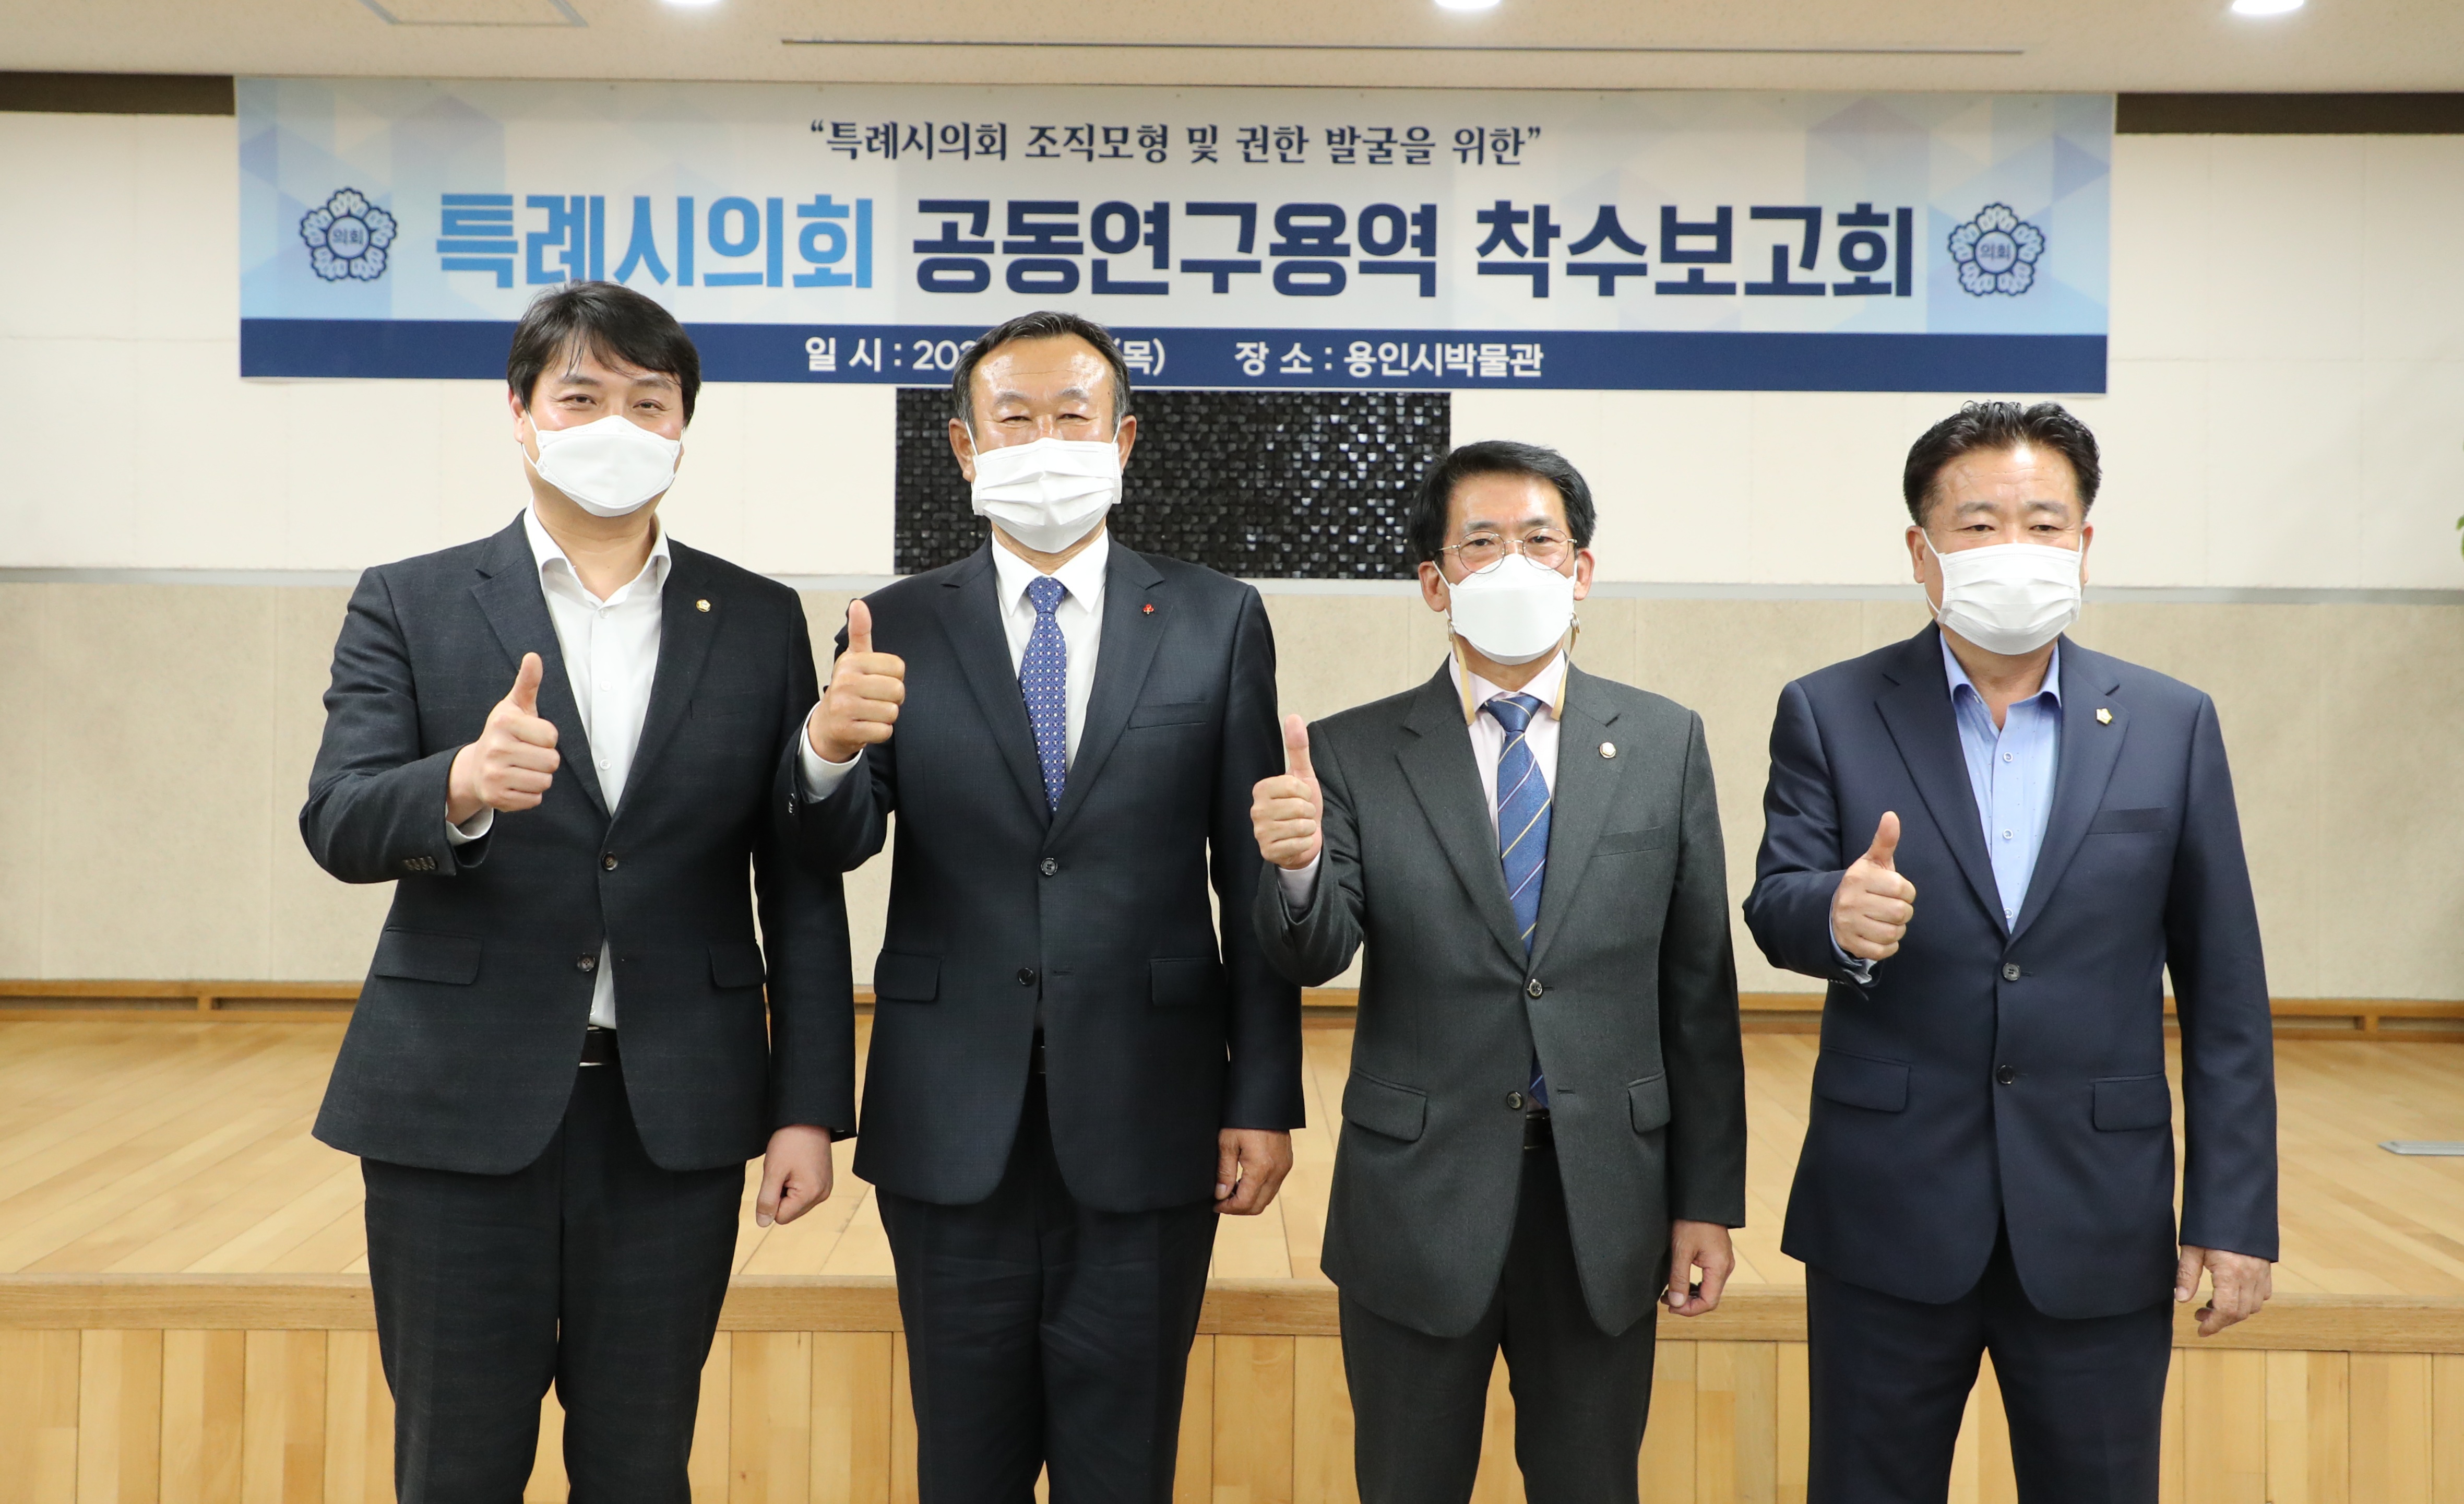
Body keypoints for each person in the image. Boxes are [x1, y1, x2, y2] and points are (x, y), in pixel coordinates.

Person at [300, 281, 854, 1503]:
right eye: (583, 396)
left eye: (649, 402)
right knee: (454, 1466)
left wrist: (808, 1105)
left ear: (683, 426)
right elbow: (337, 817)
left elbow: (799, 882)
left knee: (641, 1466)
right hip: (455, 1113)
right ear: (521, 413)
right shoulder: (411, 598)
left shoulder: (757, 617)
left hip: (677, 1117)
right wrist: (459, 783)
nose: (618, 425)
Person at [786, 310, 1303, 1502]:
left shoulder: (1218, 616)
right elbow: (832, 845)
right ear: (965, 448)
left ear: (1124, 440)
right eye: (1013, 418)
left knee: (1124, 1466)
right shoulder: (893, 621)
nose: (1046, 441)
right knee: (962, 1465)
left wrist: (1262, 1095)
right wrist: (825, 748)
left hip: (1154, 1105)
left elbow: (1249, 872)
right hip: (948, 1109)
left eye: (1074, 416)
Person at [1744, 401, 2277, 1502]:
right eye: (1980, 524)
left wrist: (2232, 1217)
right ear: (1921, 552)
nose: (2015, 548)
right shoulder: (1831, 708)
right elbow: (1776, 898)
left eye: (2044, 523)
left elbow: (2224, 991)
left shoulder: (2170, 722)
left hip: (2098, 1214)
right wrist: (1835, 915)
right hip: (1887, 1209)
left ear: (2084, 544)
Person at [1248, 441, 1748, 1504]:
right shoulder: (1351, 752)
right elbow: (1314, 953)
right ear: (1435, 582)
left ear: (1582, 568)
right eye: (1481, 544)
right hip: (1416, 1199)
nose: (1514, 564)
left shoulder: (1664, 742)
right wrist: (1294, 868)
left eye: (1539, 541)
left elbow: (1697, 993)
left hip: (1605, 1200)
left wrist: (1705, 1202)